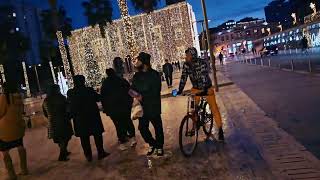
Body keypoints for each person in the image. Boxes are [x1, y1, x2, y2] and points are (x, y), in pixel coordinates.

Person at [177, 47, 225, 141]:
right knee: (194, 108)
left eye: (188, 55)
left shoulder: (201, 63)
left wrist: (204, 90)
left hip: (206, 87)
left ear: (193, 56)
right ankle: (195, 124)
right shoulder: (186, 65)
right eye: (186, 55)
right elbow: (183, 77)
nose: (186, 57)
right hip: (196, 88)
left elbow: (204, 77)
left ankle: (220, 130)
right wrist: (180, 90)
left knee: (214, 108)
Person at [67, 75, 109, 162]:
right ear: (83, 81)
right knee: (97, 135)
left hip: (80, 119)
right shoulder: (88, 90)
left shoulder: (71, 93)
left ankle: (88, 155)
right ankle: (100, 152)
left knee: (84, 138)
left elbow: (69, 105)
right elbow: (98, 98)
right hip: (92, 116)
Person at [131, 52, 164, 156]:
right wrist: (136, 94)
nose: (137, 63)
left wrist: (142, 95)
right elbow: (132, 90)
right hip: (142, 108)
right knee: (142, 128)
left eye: (139, 61)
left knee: (158, 127)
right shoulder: (136, 76)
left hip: (153, 106)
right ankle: (152, 144)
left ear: (144, 62)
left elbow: (156, 90)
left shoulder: (154, 74)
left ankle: (159, 146)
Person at [101, 68, 136, 151]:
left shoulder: (105, 84)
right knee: (128, 121)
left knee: (118, 124)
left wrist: (106, 109)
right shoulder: (121, 80)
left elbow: (103, 98)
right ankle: (132, 137)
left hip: (113, 108)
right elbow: (129, 90)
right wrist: (131, 101)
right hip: (124, 106)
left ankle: (122, 139)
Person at [0, 83, 28, 180]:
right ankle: (24, 169)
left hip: (5, 130)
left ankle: (12, 175)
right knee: (20, 147)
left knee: (5, 152)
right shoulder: (19, 97)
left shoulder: (4, 97)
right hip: (18, 127)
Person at [42, 84, 73, 161]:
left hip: (52, 121)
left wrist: (50, 117)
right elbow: (67, 108)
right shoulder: (61, 98)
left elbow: (45, 112)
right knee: (65, 137)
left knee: (59, 138)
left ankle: (64, 151)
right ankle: (62, 154)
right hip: (63, 120)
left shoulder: (46, 100)